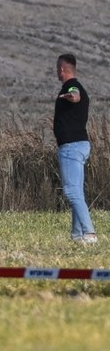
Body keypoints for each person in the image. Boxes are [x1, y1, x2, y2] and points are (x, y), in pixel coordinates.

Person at [54, 54, 97, 244]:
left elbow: (75, 94)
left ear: (62, 69)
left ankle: (89, 232)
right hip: (79, 144)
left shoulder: (73, 87)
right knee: (77, 192)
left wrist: (70, 96)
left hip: (71, 146)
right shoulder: (78, 87)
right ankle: (77, 235)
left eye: (57, 69)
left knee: (71, 192)